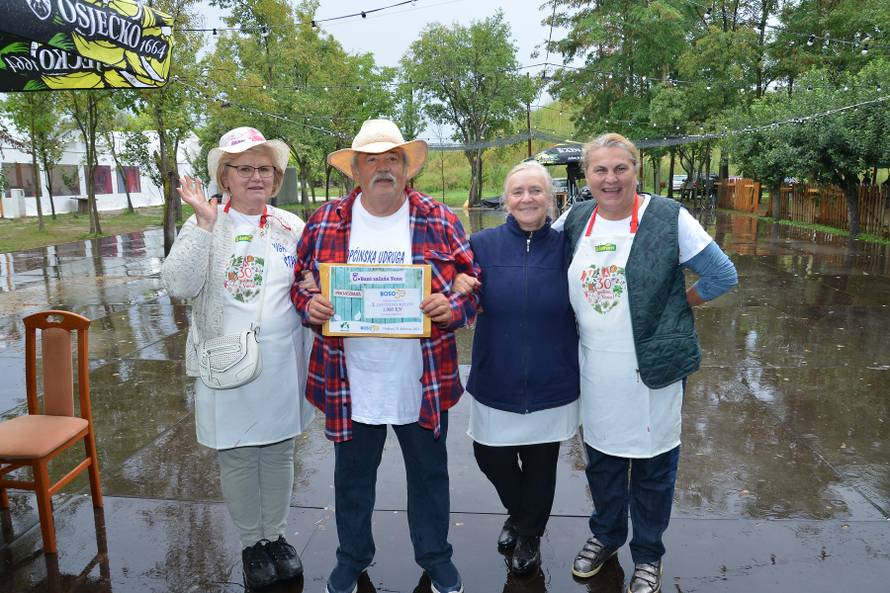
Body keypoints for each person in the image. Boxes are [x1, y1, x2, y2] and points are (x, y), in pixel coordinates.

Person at [290, 119, 478, 593]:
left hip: (421, 378)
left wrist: (451, 306)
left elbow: (473, 282)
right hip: (350, 379)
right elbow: (300, 281)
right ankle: (351, 557)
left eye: (391, 159)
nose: (382, 169)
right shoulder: (325, 221)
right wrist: (308, 305)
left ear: (405, 168)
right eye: (371, 160)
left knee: (430, 478)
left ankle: (436, 557)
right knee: (352, 482)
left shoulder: (438, 218)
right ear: (355, 171)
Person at [563, 133, 737, 593]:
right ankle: (605, 536)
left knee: (654, 465)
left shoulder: (668, 217)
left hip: (653, 368)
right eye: (600, 170)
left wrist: (675, 304)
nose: (611, 178)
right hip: (595, 368)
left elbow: (722, 275)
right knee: (600, 460)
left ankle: (647, 555)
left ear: (636, 171)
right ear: (587, 176)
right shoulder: (576, 219)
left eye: (621, 168)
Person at [161, 127, 313, 590]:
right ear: (224, 177)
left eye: (264, 168)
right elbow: (178, 284)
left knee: (280, 449)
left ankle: (276, 537)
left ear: (277, 176)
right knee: (241, 454)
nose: (255, 176)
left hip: (283, 360)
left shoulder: (291, 226)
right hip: (227, 360)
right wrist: (204, 227)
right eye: (243, 168)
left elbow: (308, 281)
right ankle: (252, 542)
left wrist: (313, 286)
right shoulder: (206, 220)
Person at [462, 161, 579, 577]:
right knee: (489, 455)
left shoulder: (568, 245)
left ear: (551, 198)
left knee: (541, 462)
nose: (527, 199)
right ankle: (522, 513)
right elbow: (451, 282)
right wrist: (458, 285)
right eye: (518, 192)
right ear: (506, 199)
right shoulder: (481, 243)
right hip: (498, 372)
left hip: (553, 376)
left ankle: (528, 532)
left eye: (536, 191)